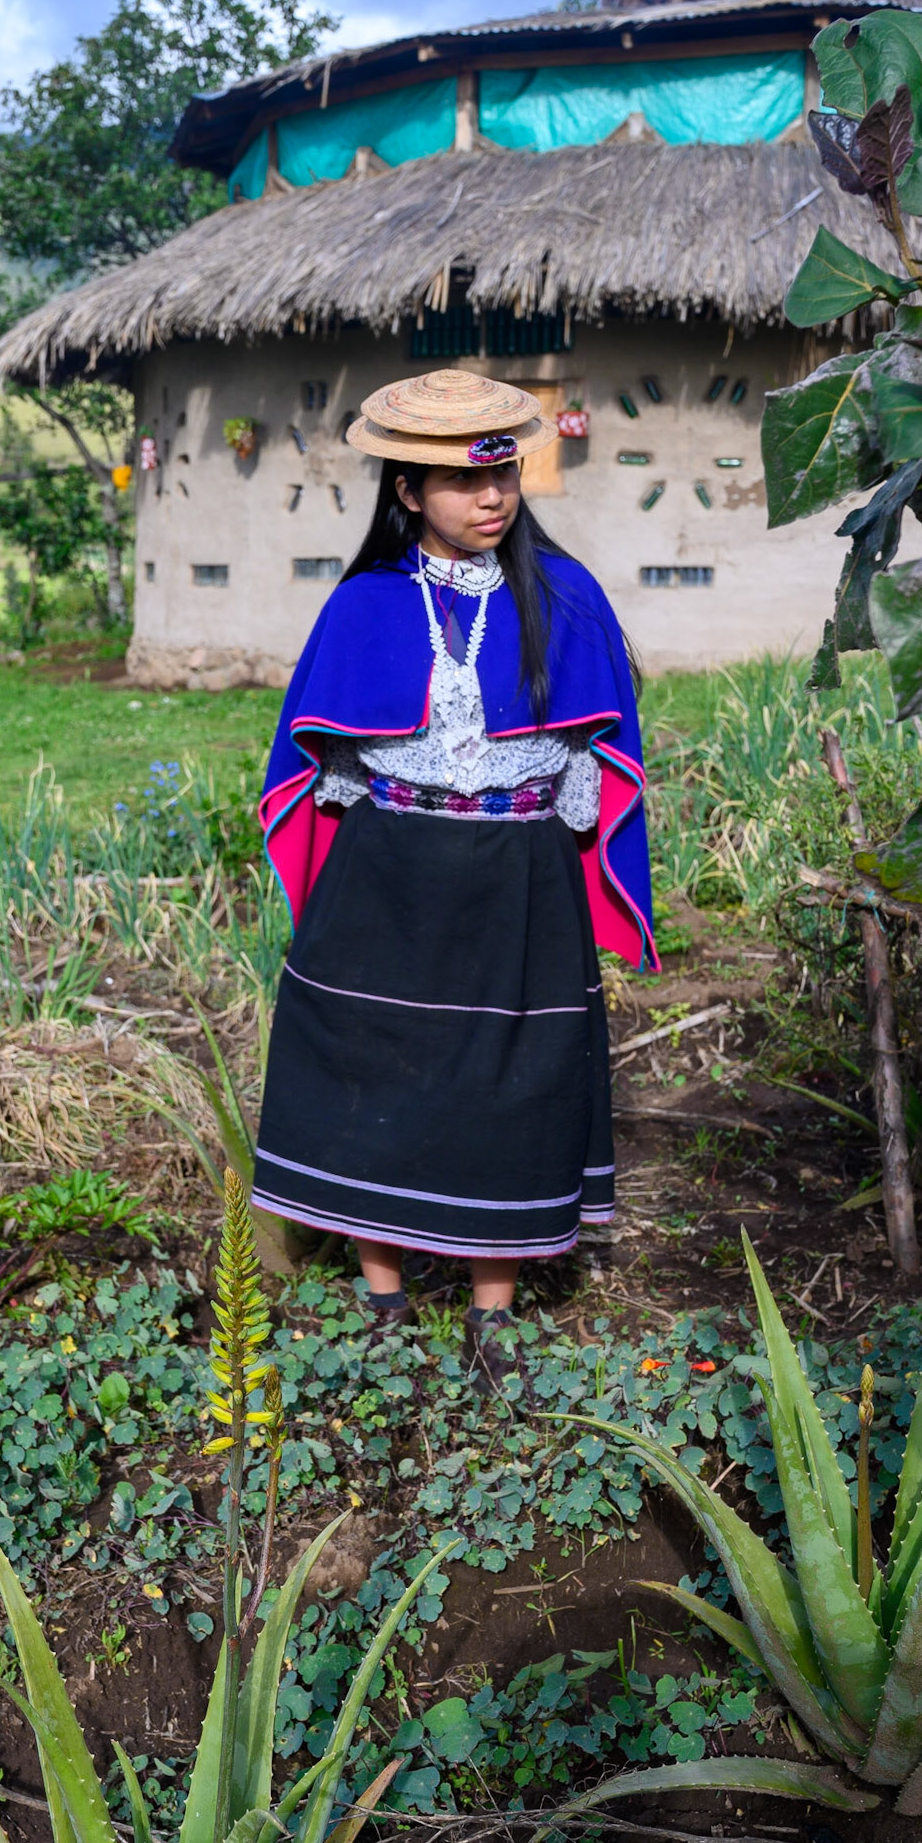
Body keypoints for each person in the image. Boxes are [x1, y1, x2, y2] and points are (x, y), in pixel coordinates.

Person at [253, 368, 655, 1375]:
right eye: (463, 481)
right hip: (386, 873)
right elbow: (315, 759)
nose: (492, 497)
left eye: (503, 476)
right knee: (370, 1059)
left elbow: (600, 752)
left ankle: (493, 1312)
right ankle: (384, 1298)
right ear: (407, 491)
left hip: (520, 878)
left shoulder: (564, 595)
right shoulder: (363, 605)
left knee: (512, 1077)